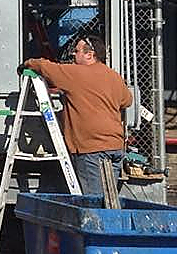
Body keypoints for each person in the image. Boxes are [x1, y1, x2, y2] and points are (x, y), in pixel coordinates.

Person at [20, 35, 133, 196]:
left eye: (77, 51)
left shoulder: (75, 73)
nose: (73, 54)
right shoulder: (113, 76)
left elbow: (46, 67)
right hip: (115, 146)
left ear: (90, 54)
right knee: (109, 199)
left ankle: (95, 221)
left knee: (93, 202)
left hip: (91, 149)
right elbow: (127, 100)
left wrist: (27, 63)